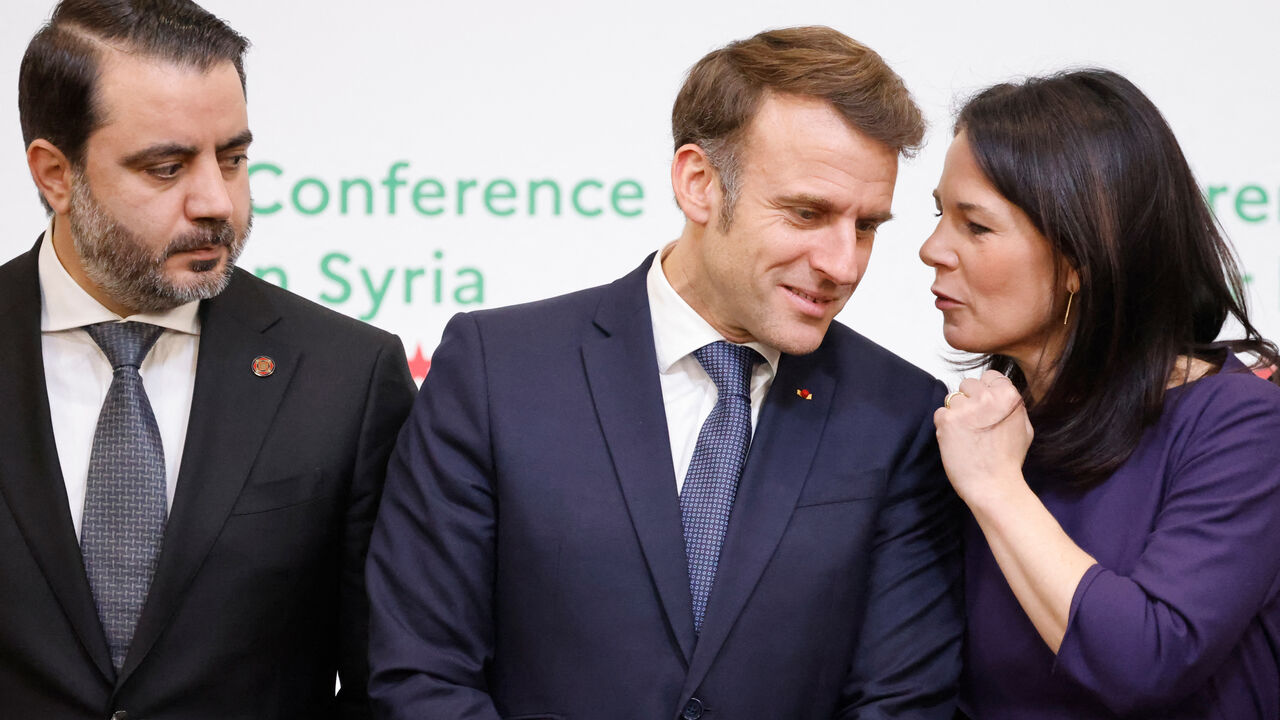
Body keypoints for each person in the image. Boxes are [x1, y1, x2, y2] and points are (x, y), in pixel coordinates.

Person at [368, 25, 962, 720]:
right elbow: (423, 673)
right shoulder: (497, 370)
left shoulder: (898, 413)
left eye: (866, 226)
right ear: (699, 184)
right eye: (808, 213)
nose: (843, 264)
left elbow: (902, 699)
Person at [0, 1, 415, 717]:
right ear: (55, 174)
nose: (217, 201)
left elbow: (394, 678)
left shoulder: (347, 375)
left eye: (233, 158)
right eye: (166, 167)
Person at [920, 69, 1280, 719]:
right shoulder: (980, 431)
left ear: (1082, 255)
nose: (931, 249)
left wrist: (999, 489)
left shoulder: (1240, 423)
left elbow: (1149, 661)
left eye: (975, 226)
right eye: (938, 215)